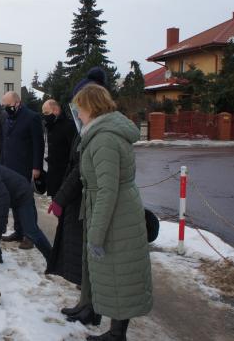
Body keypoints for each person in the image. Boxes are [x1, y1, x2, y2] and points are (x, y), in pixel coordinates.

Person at [75, 84, 153, 341]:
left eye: (80, 108)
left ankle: (116, 335)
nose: (78, 113)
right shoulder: (104, 131)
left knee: (119, 273)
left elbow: (107, 190)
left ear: (90, 107)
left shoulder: (104, 138)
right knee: (118, 273)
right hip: (118, 209)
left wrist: (96, 235)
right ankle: (115, 332)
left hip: (115, 214)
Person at [51, 68, 109, 327]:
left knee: (93, 261)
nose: (76, 111)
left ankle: (93, 308)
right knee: (82, 259)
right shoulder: (85, 129)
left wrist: (61, 197)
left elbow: (82, 170)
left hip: (90, 202)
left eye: (79, 105)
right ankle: (85, 304)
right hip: (79, 201)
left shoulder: (100, 133)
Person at [43, 99, 83, 286]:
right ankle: (67, 258)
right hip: (54, 178)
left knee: (69, 221)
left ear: (56, 110)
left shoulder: (68, 126)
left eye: (47, 112)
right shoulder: (51, 126)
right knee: (62, 221)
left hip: (65, 179)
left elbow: (73, 156)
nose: (45, 116)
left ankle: (71, 261)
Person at [0, 91, 45, 250]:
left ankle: (30, 235)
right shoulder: (7, 118)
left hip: (25, 167)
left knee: (26, 202)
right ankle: (18, 231)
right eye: (3, 105)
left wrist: (37, 167)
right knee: (14, 200)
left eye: (7, 105)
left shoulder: (32, 117)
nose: (5, 108)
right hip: (8, 166)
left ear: (17, 103)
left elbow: (38, 144)